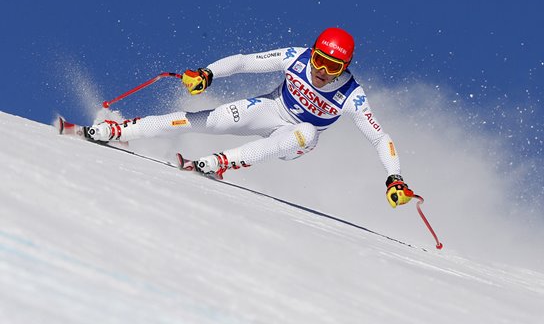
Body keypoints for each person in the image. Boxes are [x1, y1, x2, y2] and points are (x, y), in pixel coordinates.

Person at [87, 28, 415, 208]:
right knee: (207, 120)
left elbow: (379, 137)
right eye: (320, 60)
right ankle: (121, 128)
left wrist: (394, 178)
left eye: (334, 68)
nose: (322, 72)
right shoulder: (295, 57)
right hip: (269, 109)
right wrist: (207, 73)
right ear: (311, 51)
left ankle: (223, 161)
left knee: (305, 132)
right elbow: (245, 62)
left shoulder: (352, 95)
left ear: (346, 68)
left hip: (295, 139)